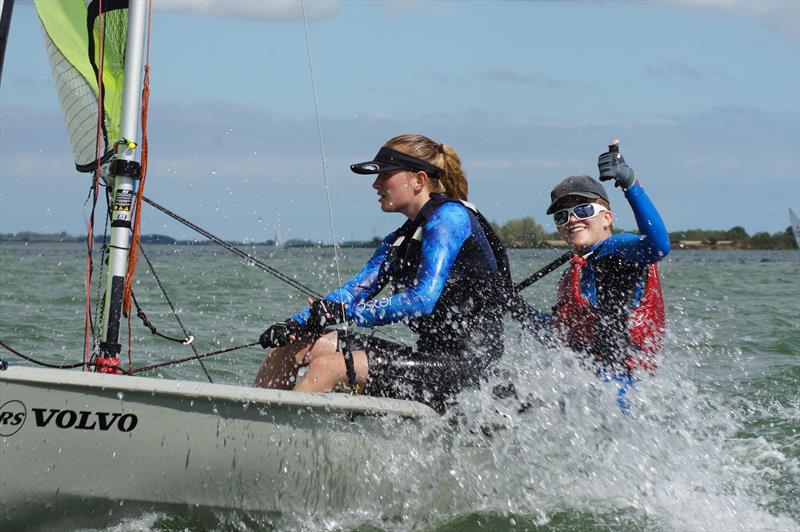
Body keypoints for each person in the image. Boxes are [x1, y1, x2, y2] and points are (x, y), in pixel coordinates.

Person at [254, 133, 512, 412]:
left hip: (467, 368)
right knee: (294, 347)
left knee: (328, 367)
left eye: (385, 175)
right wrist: (296, 324)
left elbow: (422, 300)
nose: (376, 184)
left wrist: (347, 314)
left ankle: (282, 443)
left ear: (419, 180)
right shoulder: (397, 241)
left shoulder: (450, 218)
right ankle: (252, 428)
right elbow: (353, 292)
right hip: (426, 357)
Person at [514, 140, 669, 412]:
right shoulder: (577, 268)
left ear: (607, 218)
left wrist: (630, 184)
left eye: (583, 210)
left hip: (620, 391)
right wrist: (514, 307)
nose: (572, 220)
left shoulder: (616, 251)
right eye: (562, 216)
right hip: (586, 385)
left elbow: (658, 245)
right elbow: (559, 334)